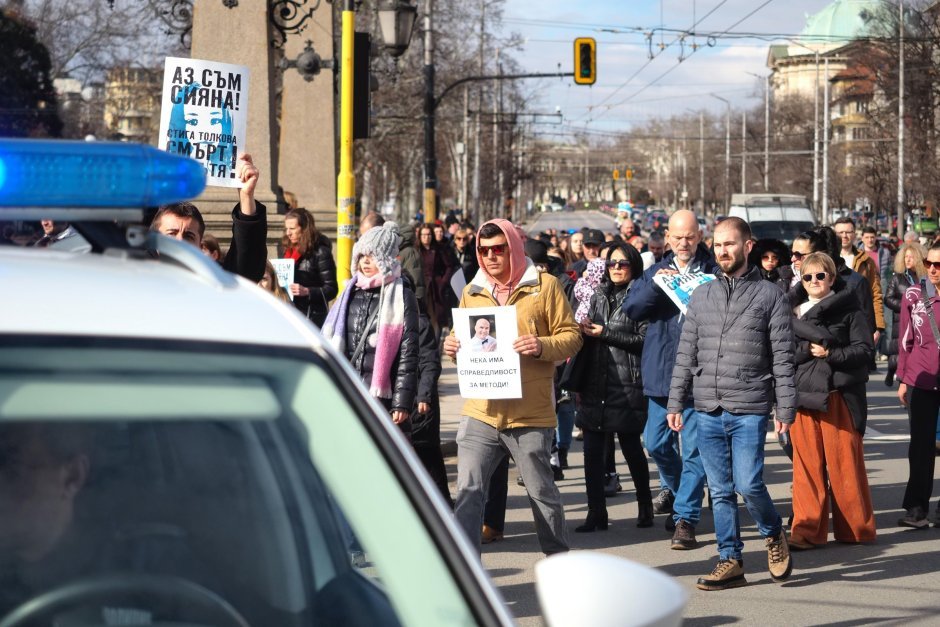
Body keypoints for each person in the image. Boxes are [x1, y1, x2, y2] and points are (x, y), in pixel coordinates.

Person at [667, 217, 794, 591]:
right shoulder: (702, 295)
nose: (723, 251)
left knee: (749, 484)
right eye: (718, 244)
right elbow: (686, 352)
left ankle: (772, 533)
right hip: (707, 406)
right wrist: (676, 401)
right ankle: (730, 559)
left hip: (750, 406)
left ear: (747, 246)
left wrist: (785, 408)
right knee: (720, 490)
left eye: (730, 244)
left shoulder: (770, 296)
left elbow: (783, 357)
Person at [443, 219, 581, 555]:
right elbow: (461, 336)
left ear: (513, 249)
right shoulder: (472, 291)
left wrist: (541, 345)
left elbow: (572, 336)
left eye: (498, 249)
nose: (490, 256)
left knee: (541, 493)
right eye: (484, 250)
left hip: (529, 412)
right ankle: (465, 570)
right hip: (481, 411)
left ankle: (559, 563)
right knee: (468, 492)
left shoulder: (544, 286)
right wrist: (452, 345)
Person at [622, 209, 719, 547]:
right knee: (655, 443)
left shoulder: (713, 272)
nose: (683, 243)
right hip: (662, 373)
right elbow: (632, 309)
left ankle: (685, 519)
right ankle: (682, 495)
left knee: (693, 451)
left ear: (700, 237)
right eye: (677, 237)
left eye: (690, 237)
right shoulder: (655, 271)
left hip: (699, 376)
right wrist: (658, 284)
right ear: (667, 238)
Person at [788, 252, 876, 549]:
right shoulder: (790, 313)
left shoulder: (849, 309)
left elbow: (865, 351)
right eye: (807, 276)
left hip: (838, 396)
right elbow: (781, 355)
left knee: (845, 465)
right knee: (806, 469)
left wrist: (831, 354)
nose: (814, 281)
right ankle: (806, 531)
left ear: (832, 277)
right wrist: (805, 351)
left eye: (820, 275)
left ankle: (855, 529)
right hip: (802, 399)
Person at [569, 242, 652, 531]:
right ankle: (596, 513)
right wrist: (582, 330)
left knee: (631, 448)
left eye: (623, 263)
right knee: (592, 451)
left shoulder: (642, 297)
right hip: (595, 380)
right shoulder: (598, 295)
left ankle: (645, 505)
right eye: (612, 263)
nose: (616, 268)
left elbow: (644, 341)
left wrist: (605, 332)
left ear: (633, 266)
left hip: (627, 382)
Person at [321, 223, 419, 435]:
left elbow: (408, 353)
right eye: (362, 255)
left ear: (386, 258)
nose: (365, 261)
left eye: (373, 256)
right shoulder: (349, 292)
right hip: (349, 393)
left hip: (382, 399)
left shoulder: (402, 295)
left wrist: (401, 402)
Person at [151, 154, 267, 283]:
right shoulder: (137, 282)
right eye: (171, 234)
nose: (180, 241)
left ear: (199, 246)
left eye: (189, 236)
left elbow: (245, 271)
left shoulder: (213, 286)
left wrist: (246, 196)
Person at [896, 242, 940, 528]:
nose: (933, 269)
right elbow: (905, 340)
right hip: (919, 379)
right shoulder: (913, 295)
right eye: (929, 263)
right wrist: (902, 379)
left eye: (939, 265)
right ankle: (917, 509)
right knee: (921, 447)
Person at [278, 208, 338, 327]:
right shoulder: (288, 251)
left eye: (292, 228)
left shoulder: (320, 252)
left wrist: (307, 291)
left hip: (311, 318)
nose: (288, 233)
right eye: (286, 229)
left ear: (305, 228)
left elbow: (331, 289)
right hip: (290, 315)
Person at [833, 218, 886, 350]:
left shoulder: (866, 261)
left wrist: (877, 327)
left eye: (848, 232)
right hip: (833, 322)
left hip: (860, 322)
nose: (844, 236)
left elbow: (876, 294)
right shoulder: (826, 259)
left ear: (854, 234)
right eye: (840, 232)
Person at [884, 243, 926, 386]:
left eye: (911, 257)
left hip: (920, 321)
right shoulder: (897, 278)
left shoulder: (925, 278)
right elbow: (888, 299)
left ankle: (908, 382)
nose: (907, 260)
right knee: (898, 353)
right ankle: (892, 371)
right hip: (902, 320)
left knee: (914, 353)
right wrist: (905, 305)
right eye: (906, 256)